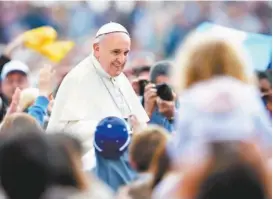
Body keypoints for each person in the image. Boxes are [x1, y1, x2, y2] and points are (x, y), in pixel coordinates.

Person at [46, 22, 148, 153]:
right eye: (116, 52)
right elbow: (63, 133)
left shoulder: (121, 79)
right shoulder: (77, 78)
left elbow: (140, 124)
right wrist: (112, 132)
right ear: (97, 49)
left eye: (126, 53)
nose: (122, 60)